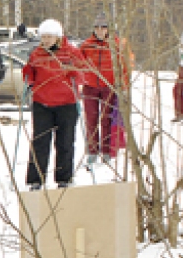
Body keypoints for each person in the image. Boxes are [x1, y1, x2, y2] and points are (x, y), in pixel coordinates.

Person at [22, 18, 88, 190]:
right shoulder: (37, 54)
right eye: (43, 37)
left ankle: (64, 178)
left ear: (58, 37)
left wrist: (74, 74)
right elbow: (29, 72)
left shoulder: (71, 52)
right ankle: (36, 179)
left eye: (49, 37)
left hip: (66, 103)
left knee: (65, 142)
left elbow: (83, 73)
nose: (46, 41)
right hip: (42, 103)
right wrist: (28, 76)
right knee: (40, 142)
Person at [79, 12, 133, 166]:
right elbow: (78, 63)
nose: (100, 30)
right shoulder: (87, 44)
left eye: (103, 27)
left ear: (109, 29)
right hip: (90, 87)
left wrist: (123, 85)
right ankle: (92, 151)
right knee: (91, 120)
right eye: (97, 27)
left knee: (106, 120)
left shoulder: (118, 44)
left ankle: (108, 150)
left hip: (110, 87)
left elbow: (126, 67)